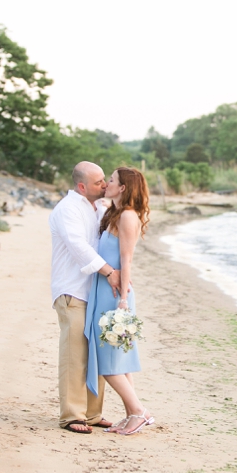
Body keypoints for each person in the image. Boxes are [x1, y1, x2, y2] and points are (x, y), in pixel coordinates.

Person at [49, 161, 123, 434]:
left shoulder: (99, 208)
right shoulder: (67, 210)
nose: (104, 185)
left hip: (95, 292)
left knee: (95, 352)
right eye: (98, 182)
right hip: (72, 290)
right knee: (75, 353)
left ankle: (92, 414)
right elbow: (78, 246)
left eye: (105, 180)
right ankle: (72, 415)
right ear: (82, 186)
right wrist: (109, 272)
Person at [84, 167, 154, 435]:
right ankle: (130, 415)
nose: (106, 184)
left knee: (108, 360)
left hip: (115, 295)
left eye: (111, 180)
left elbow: (126, 260)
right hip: (105, 290)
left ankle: (139, 411)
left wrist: (123, 299)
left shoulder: (127, 216)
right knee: (118, 359)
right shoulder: (114, 213)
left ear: (123, 187)